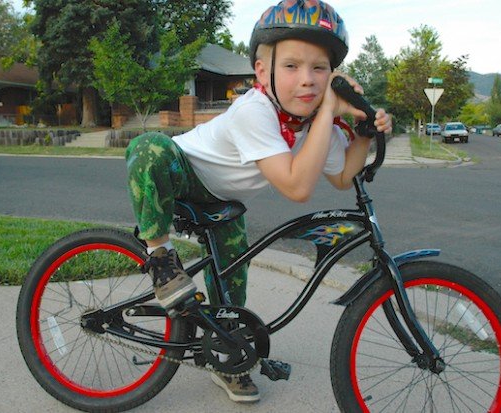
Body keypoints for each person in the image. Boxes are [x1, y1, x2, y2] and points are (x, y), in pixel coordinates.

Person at [125, 0, 392, 403]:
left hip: (225, 202)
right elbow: (296, 187)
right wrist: (330, 113)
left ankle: (226, 359)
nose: (307, 80)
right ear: (262, 72)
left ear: (332, 76)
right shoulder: (255, 109)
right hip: (183, 173)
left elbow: (341, 177)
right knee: (149, 147)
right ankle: (160, 259)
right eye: (291, 66)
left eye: (319, 68)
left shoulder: (314, 123)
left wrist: (364, 134)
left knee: (233, 296)